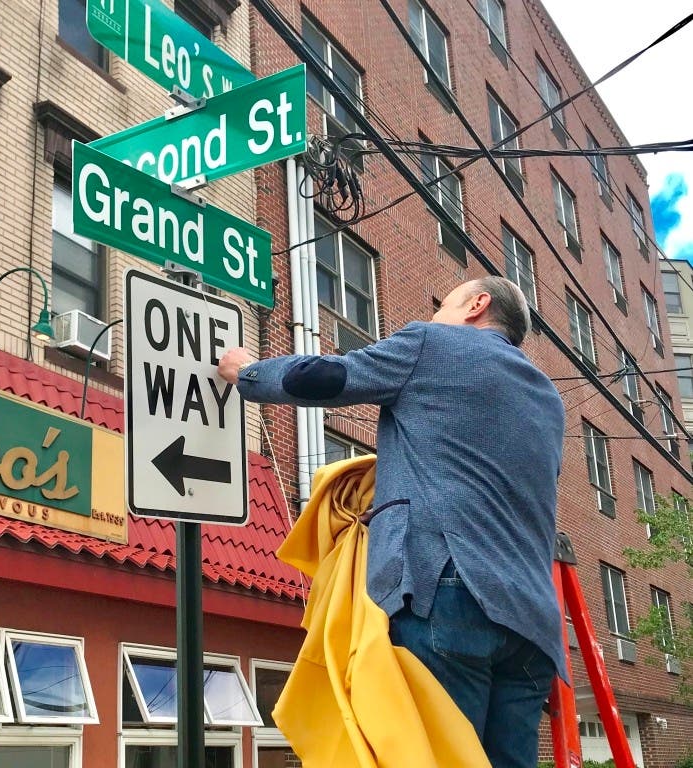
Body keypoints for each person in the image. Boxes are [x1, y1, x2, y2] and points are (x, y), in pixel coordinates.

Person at [218, 276, 566, 768]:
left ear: (477, 305)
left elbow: (325, 377)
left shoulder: (434, 344)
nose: (435, 313)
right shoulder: (548, 397)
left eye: (442, 302)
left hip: (451, 593)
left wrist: (247, 373)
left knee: (429, 756)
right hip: (533, 627)